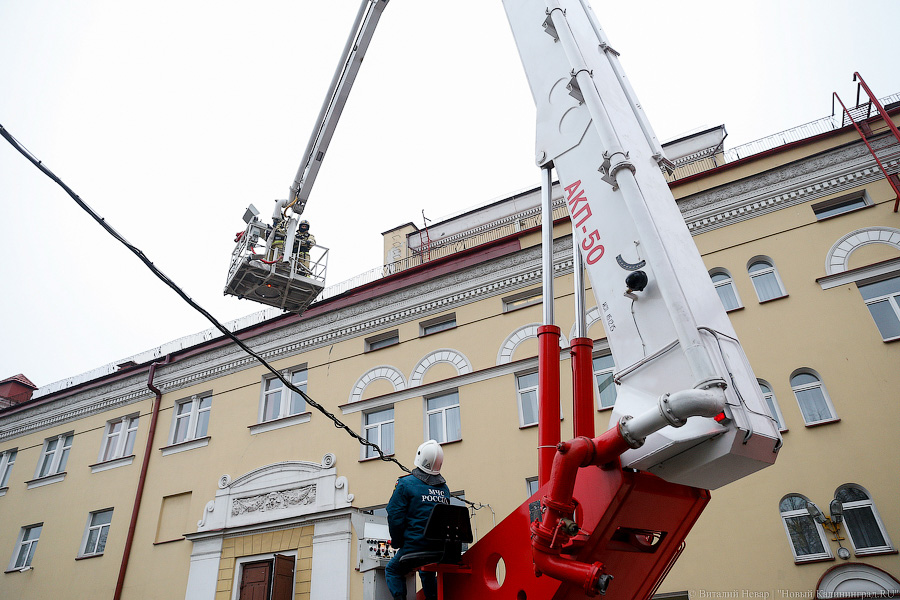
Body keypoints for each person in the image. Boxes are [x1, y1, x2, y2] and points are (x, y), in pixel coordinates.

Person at [385, 440, 450, 600]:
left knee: (392, 570)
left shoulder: (405, 483)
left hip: (415, 549)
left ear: (419, 457)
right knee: (425, 569)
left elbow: (395, 516)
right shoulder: (444, 488)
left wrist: (397, 542)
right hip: (441, 551)